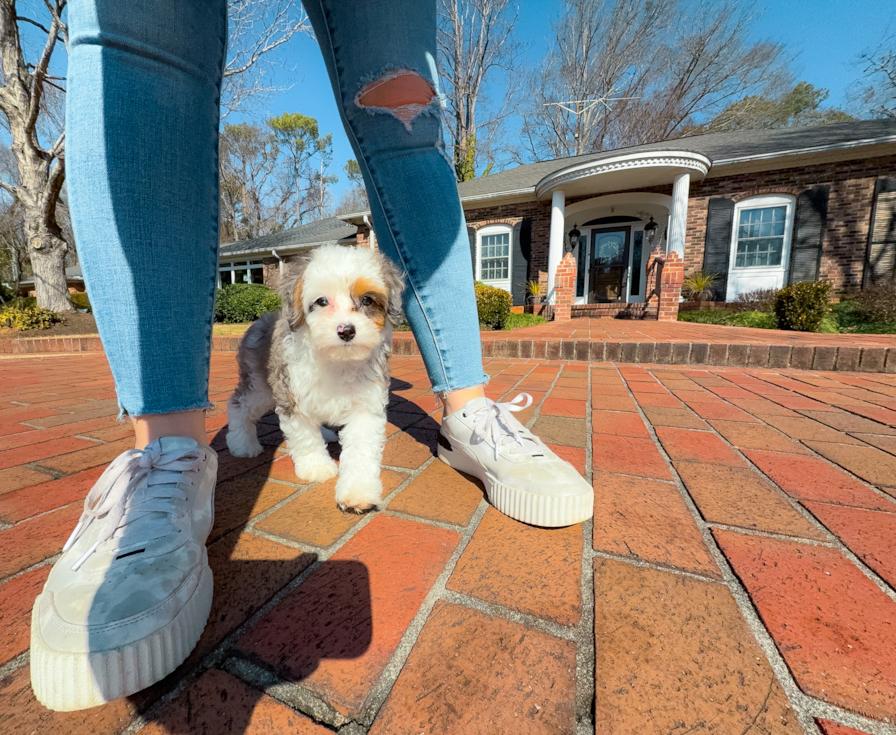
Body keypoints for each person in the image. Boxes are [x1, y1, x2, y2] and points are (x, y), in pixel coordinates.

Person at [30, 0, 594, 711]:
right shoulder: (282, 338)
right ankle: (164, 460)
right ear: (298, 307)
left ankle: (470, 411)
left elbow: (369, 414)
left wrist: (351, 464)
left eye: (364, 305)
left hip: (351, 393)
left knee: (406, 110)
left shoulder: (369, 345)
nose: (348, 321)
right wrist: (301, 449)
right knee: (139, 51)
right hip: (286, 386)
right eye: (325, 304)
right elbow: (289, 407)